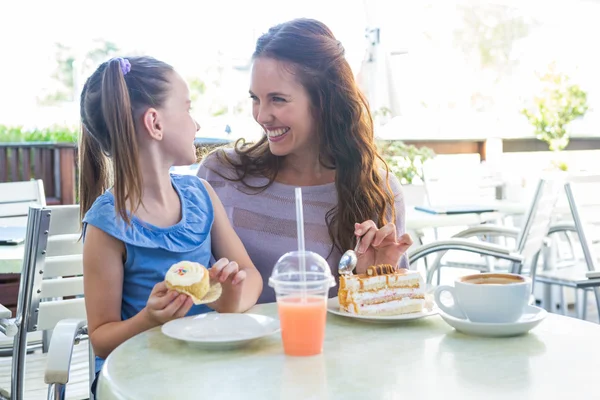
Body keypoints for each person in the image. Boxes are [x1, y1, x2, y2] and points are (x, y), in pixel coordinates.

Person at [79, 56, 262, 393]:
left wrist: (227, 297)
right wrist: (149, 319)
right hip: (137, 380)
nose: (195, 124)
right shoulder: (107, 226)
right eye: (187, 109)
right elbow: (101, 339)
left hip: (204, 368)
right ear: (155, 123)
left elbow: (251, 276)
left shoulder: (201, 195)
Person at [197, 18, 412, 304]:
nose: (261, 115)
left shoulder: (376, 190)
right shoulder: (219, 175)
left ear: (324, 101)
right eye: (255, 98)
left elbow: (392, 311)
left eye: (278, 99)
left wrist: (370, 277)